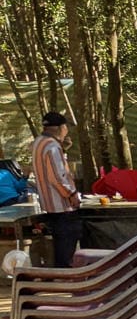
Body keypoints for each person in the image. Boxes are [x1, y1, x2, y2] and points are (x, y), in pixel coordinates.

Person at [30, 111, 82, 267]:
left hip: (49, 204)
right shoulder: (52, 146)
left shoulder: (38, 142)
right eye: (66, 127)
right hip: (62, 205)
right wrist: (72, 194)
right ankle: (65, 275)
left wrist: (63, 148)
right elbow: (57, 177)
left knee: (59, 245)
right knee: (66, 248)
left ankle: (61, 273)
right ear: (61, 128)